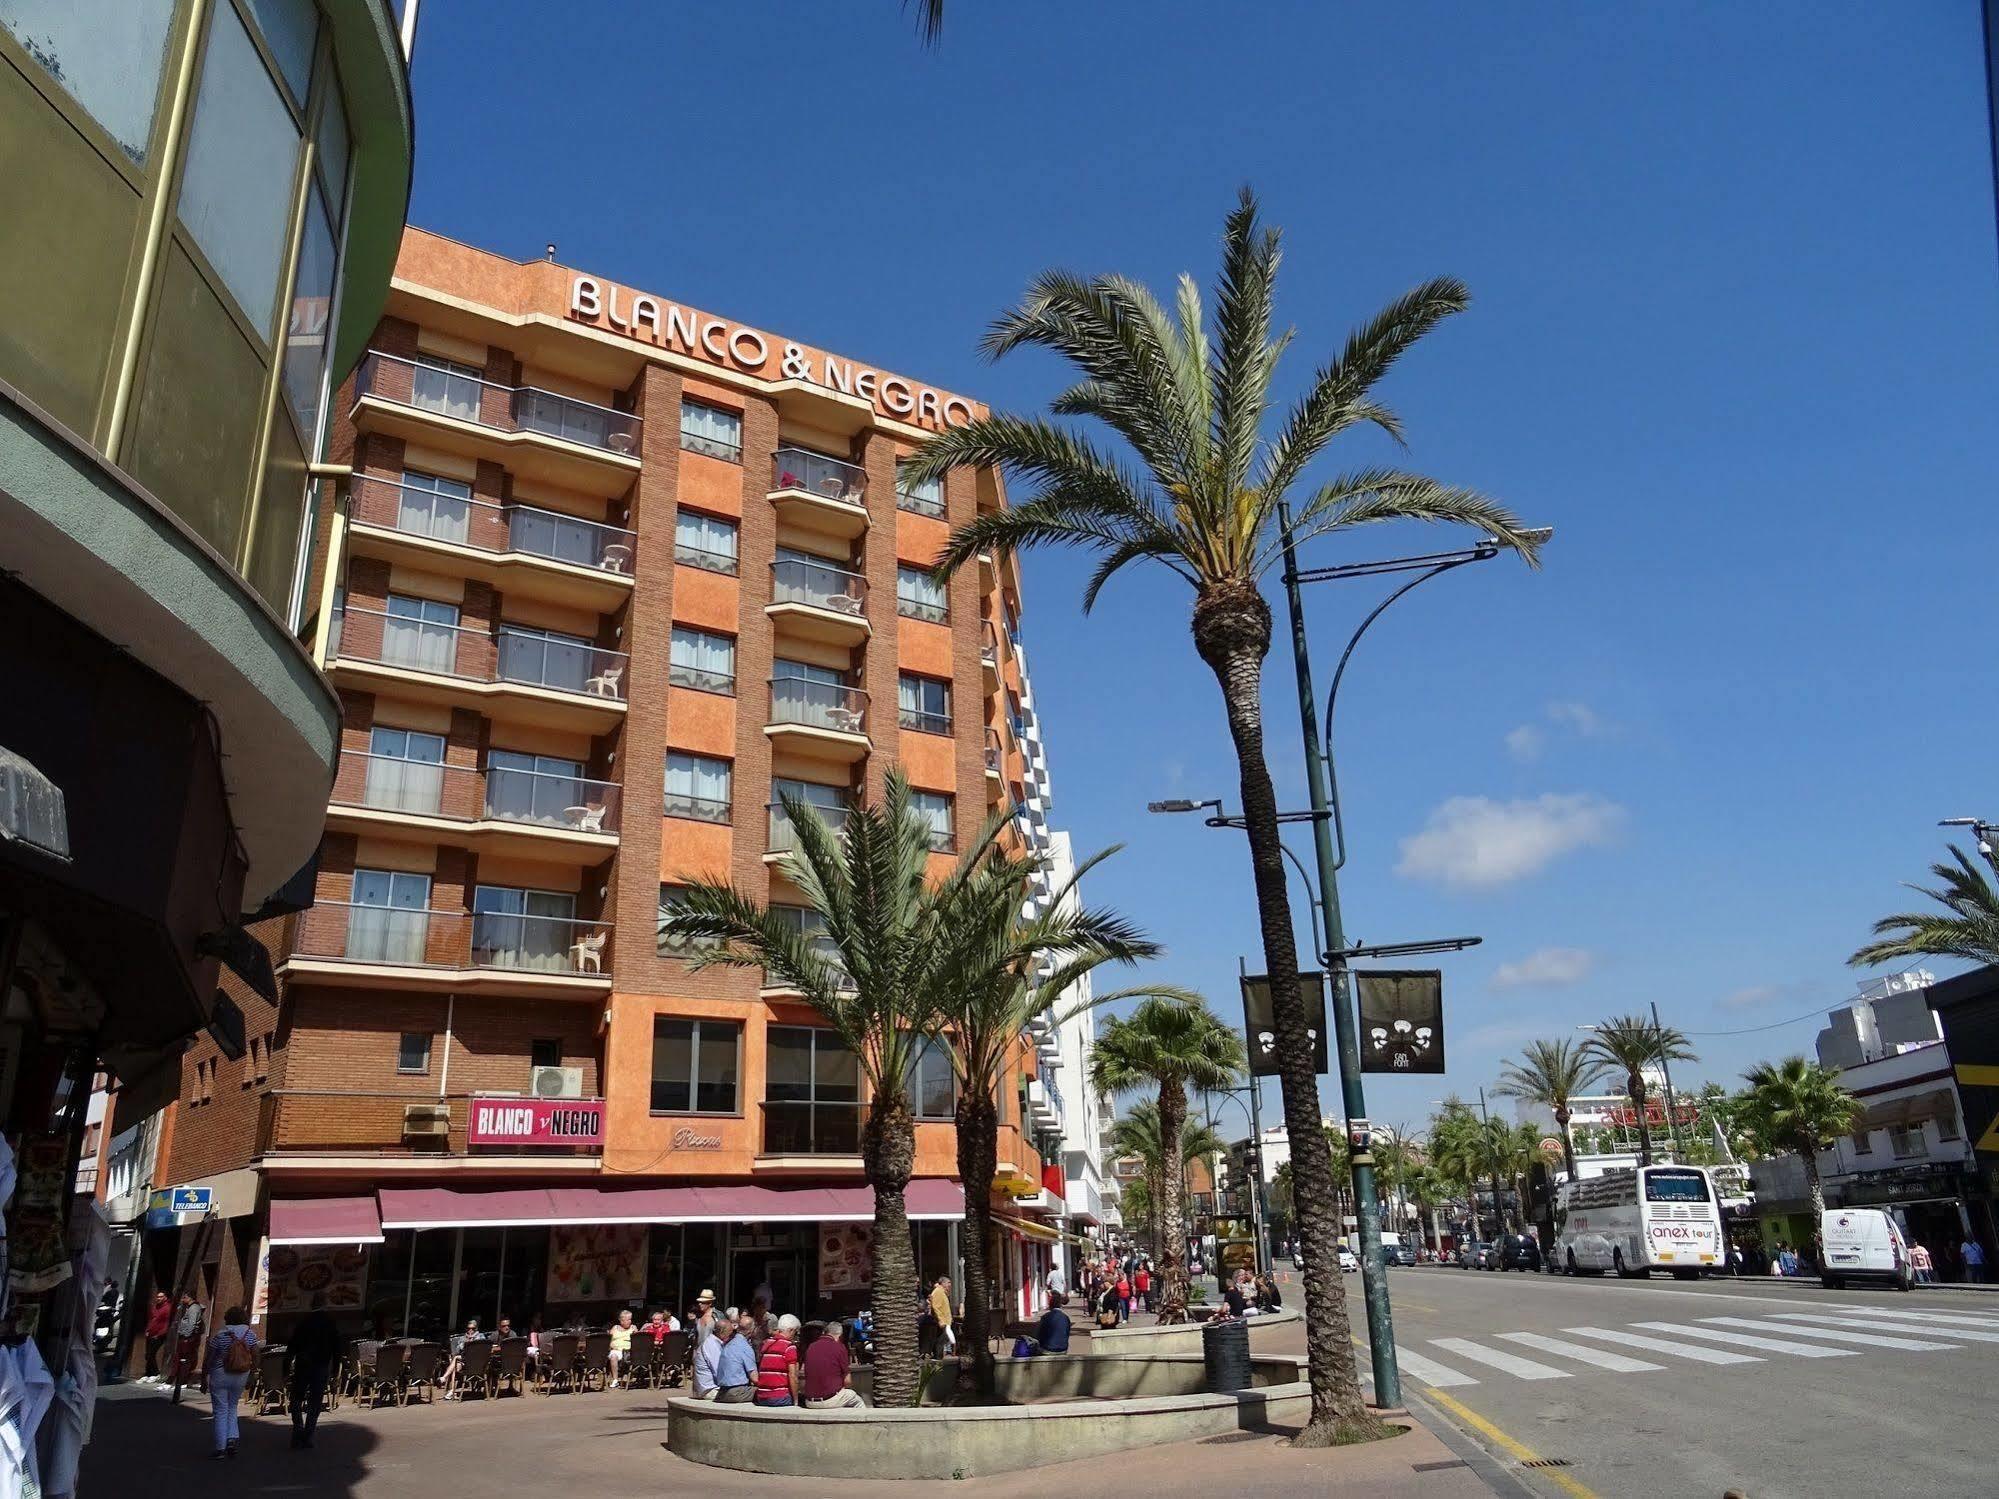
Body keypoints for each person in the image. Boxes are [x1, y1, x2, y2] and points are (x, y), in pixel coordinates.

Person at [287, 1293, 341, 1449]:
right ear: (325, 1304)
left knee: (296, 1398)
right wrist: (336, 1369)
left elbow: (292, 1346)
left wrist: (286, 1367)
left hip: (303, 1365)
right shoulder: (330, 1323)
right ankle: (309, 1434)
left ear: (311, 1304)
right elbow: (336, 1348)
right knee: (315, 1401)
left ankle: (298, 1428)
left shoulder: (303, 1322)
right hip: (321, 1366)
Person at [205, 1306, 258, 1458]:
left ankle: (220, 1447)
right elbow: (256, 1354)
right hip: (241, 1374)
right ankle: (232, 1439)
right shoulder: (250, 1334)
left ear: (227, 1318)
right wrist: (253, 1373)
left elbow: (210, 1357)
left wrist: (204, 1376)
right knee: (233, 1406)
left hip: (220, 1374)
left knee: (221, 1410)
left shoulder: (221, 1335)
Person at [802, 1320, 865, 1408]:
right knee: (857, 1400)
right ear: (840, 1336)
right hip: (829, 1400)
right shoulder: (839, 1347)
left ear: (825, 1332)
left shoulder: (811, 1347)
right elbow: (847, 1381)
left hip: (809, 1401)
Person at [753, 1313, 801, 1407]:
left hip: (762, 1397)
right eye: (795, 1332)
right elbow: (792, 1376)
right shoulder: (789, 1347)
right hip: (779, 1397)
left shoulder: (767, 1343)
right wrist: (796, 1400)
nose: (795, 1335)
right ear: (791, 1330)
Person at [692, 1309, 736, 1399]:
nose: (732, 1336)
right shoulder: (711, 1345)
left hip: (711, 1388)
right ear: (722, 1332)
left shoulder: (715, 1342)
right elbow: (719, 1372)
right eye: (730, 1333)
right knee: (741, 1394)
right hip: (709, 1391)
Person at [715, 1311, 758, 1402]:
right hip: (736, 1392)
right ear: (751, 1330)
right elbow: (755, 1378)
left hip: (721, 1392)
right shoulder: (745, 1347)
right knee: (767, 1393)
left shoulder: (728, 1344)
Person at [442, 1318, 485, 1399]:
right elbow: (457, 1351)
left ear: (476, 1329)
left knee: (456, 1359)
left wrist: (472, 1340)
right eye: (469, 1328)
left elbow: (481, 1347)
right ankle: (452, 1390)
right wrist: (463, 1343)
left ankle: (444, 1378)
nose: (470, 1330)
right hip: (465, 1363)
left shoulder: (481, 1336)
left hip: (478, 1363)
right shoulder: (463, 1338)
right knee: (456, 1366)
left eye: (473, 1329)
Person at [173, 1293, 205, 1386]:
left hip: (188, 1337)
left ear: (189, 1298)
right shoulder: (191, 1307)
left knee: (185, 1358)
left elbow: (192, 1323)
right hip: (188, 1336)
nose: (182, 1300)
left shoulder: (193, 1308)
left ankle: (183, 1380)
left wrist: (187, 1336)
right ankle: (181, 1379)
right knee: (183, 1357)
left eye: (184, 1298)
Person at [608, 1309, 636, 1388]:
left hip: (629, 1351)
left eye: (630, 1319)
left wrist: (635, 1331)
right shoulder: (615, 1328)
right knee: (613, 1356)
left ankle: (630, 1376)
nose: (630, 1321)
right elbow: (608, 1339)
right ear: (621, 1321)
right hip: (616, 1351)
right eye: (628, 1319)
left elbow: (637, 1340)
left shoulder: (633, 1328)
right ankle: (615, 1380)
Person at [929, 1275, 956, 1354]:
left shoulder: (943, 1292)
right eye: (948, 1282)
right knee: (941, 1341)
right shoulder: (938, 1292)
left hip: (946, 1321)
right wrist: (941, 1321)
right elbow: (936, 1307)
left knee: (943, 1340)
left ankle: (938, 1357)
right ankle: (938, 1358)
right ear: (943, 1283)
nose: (950, 1285)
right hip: (943, 1322)